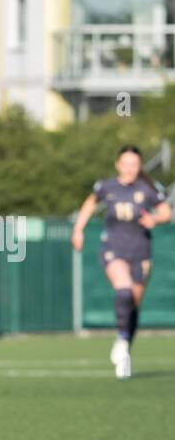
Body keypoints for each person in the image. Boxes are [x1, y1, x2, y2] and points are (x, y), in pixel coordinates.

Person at [71, 144, 172, 379]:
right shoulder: (106, 186)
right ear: (118, 164)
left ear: (139, 166)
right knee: (124, 291)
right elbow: (89, 204)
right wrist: (78, 229)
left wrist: (155, 219)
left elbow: (166, 212)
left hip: (141, 252)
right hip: (113, 250)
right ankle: (121, 343)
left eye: (134, 164)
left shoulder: (147, 188)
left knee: (133, 306)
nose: (129, 169)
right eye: (125, 164)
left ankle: (124, 344)